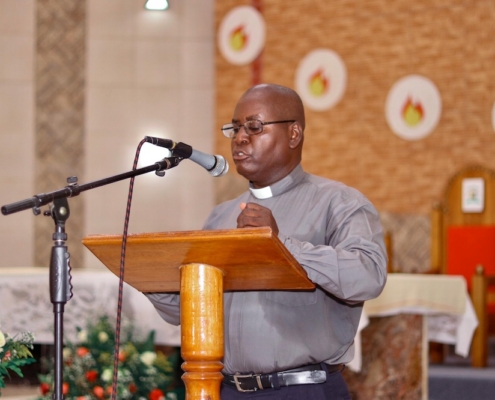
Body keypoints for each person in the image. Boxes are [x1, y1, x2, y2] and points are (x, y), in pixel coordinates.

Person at [146, 83, 387, 399]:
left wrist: (282, 244)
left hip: (302, 390)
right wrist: (148, 277)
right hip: (226, 390)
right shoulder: (221, 216)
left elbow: (368, 276)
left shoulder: (339, 202)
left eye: (255, 127)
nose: (240, 138)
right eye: (235, 128)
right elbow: (187, 311)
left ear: (293, 134)